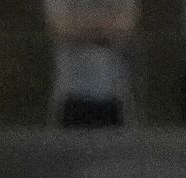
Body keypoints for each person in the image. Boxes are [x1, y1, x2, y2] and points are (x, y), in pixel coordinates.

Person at [44, 0, 137, 128]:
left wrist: (80, 25)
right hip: (70, 94)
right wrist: (104, 27)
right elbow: (61, 28)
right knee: (68, 146)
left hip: (114, 95)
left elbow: (124, 25)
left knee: (115, 146)